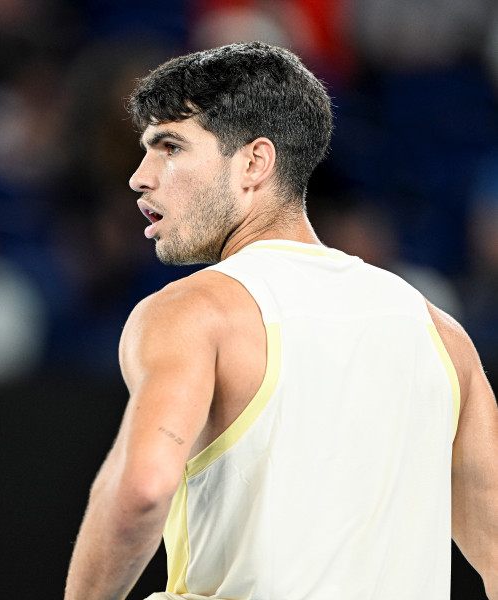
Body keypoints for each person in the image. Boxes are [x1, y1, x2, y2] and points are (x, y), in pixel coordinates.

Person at [64, 41, 498, 600]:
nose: (139, 177)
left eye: (169, 146)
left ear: (254, 162)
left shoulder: (191, 313)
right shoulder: (440, 332)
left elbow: (142, 489)